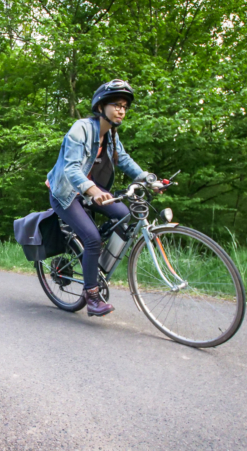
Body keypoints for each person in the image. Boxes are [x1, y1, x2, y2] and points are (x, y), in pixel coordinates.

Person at [46, 79, 150, 317]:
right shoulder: (80, 129)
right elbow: (72, 169)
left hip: (89, 187)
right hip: (65, 191)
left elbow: (123, 159)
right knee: (92, 238)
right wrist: (93, 191)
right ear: (101, 106)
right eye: (116, 104)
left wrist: (148, 178)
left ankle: (93, 260)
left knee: (125, 216)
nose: (122, 110)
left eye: (125, 106)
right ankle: (91, 295)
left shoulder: (111, 135)